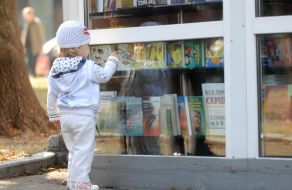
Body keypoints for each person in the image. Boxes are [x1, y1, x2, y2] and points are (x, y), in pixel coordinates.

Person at [47, 20, 119, 190]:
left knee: (74, 150)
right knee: (84, 150)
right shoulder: (88, 67)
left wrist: (53, 114)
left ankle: (73, 182)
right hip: (83, 116)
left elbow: (52, 92)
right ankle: (81, 183)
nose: (89, 47)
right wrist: (112, 61)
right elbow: (104, 76)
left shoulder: (56, 68)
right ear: (77, 47)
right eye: (87, 44)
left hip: (66, 117)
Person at [21, 7, 45, 77]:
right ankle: (31, 74)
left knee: (34, 61)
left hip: (35, 46)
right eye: (25, 15)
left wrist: (41, 46)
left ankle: (34, 74)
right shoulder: (27, 23)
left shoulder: (37, 22)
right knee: (29, 61)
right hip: (28, 46)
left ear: (31, 14)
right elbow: (25, 35)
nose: (26, 17)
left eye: (27, 15)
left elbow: (41, 35)